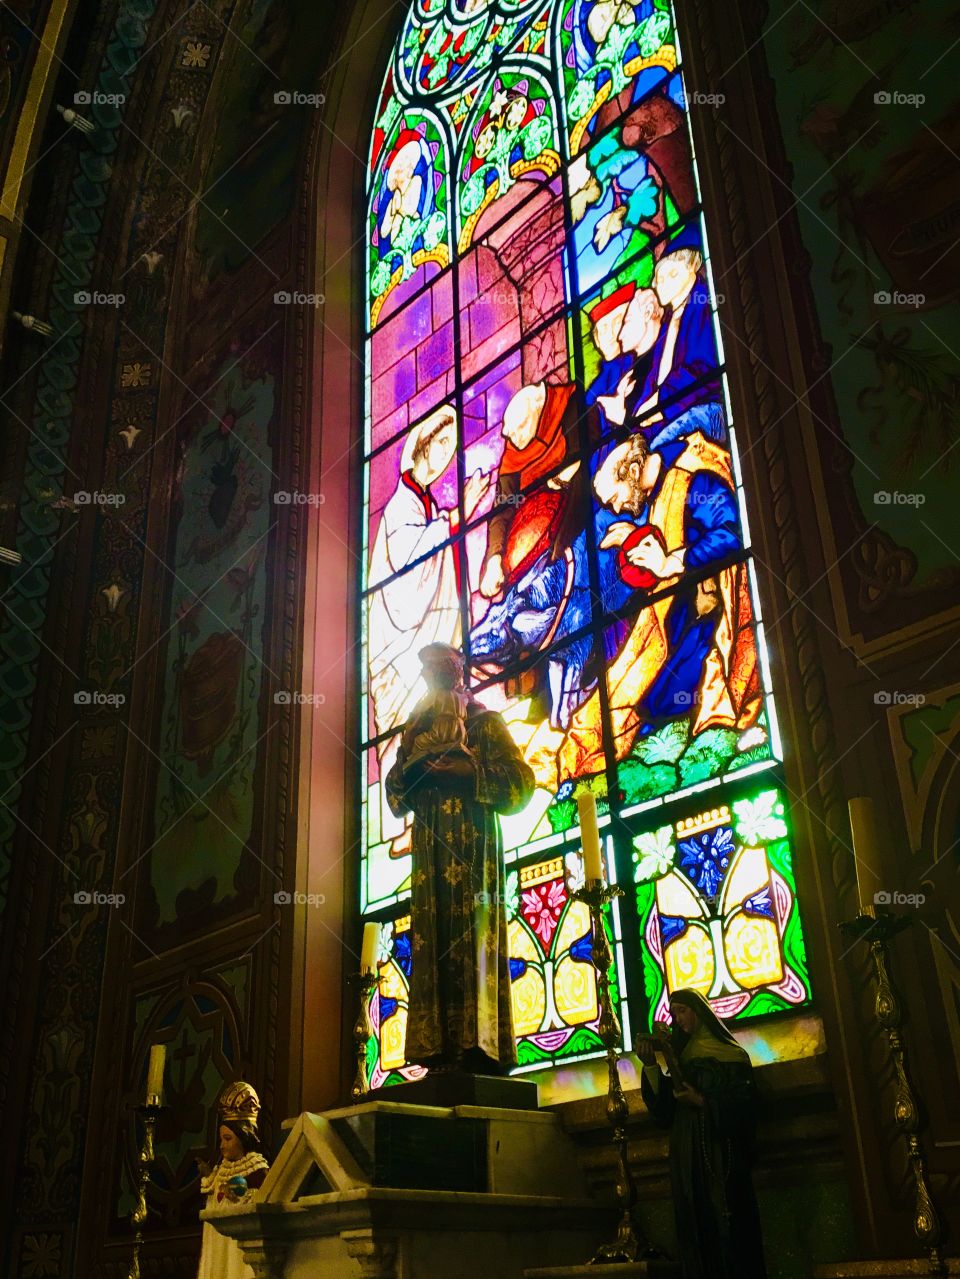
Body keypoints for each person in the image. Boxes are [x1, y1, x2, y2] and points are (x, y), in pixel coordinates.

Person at [386, 643, 533, 1073]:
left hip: (474, 847)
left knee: (473, 932)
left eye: (442, 673)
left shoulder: (484, 724)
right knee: (433, 937)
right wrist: (412, 763)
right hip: (430, 856)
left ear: (457, 674)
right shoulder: (417, 730)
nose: (436, 681)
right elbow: (395, 796)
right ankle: (437, 1049)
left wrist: (469, 773)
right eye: (430, 675)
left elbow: (522, 783)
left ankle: (478, 1043)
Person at [368, 406, 490, 848]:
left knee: (428, 719)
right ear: (420, 444)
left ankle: (422, 815)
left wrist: (450, 520)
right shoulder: (400, 505)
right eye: (440, 444)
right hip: (397, 643)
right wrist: (454, 520)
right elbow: (405, 568)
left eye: (451, 448)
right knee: (404, 723)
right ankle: (401, 825)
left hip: (419, 634)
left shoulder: (423, 503)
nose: (445, 456)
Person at [635, 990, 767, 1279]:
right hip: (686, 1151)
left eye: (683, 1011)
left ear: (699, 1011)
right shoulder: (681, 1057)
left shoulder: (732, 1056)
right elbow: (664, 1112)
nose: (678, 1019)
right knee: (695, 1225)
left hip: (722, 1152)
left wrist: (704, 1103)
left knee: (729, 1228)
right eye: (674, 1013)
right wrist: (651, 1067)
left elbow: (746, 1106)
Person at [196, 1081, 270, 1279]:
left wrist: (241, 1196)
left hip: (238, 1256)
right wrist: (210, 1177)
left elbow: (261, 1209)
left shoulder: (257, 1171)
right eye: (221, 1139)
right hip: (217, 1249)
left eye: (228, 1139)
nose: (222, 1145)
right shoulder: (221, 1170)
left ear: (243, 1136)